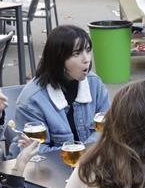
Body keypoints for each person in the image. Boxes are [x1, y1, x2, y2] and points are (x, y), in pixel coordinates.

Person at [16, 25, 110, 159]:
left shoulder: (94, 83)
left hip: (90, 165)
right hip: (49, 172)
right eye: (77, 53)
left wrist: (84, 152)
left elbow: (110, 128)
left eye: (88, 51)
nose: (86, 59)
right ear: (58, 59)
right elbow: (35, 152)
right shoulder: (32, 100)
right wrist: (81, 152)